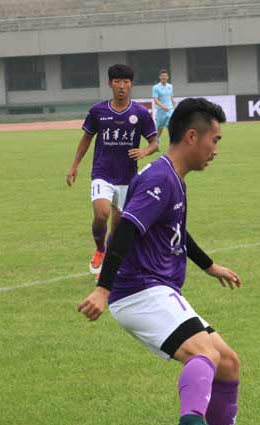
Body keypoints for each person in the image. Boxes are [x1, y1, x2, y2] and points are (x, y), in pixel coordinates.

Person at [77, 98, 246, 425]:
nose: (215, 150)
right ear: (191, 137)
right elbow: (122, 233)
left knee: (229, 362)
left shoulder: (173, 177)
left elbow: (177, 231)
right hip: (139, 291)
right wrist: (102, 289)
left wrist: (209, 265)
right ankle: (190, 423)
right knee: (205, 354)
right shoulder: (159, 178)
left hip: (157, 290)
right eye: (214, 140)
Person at [67, 64, 159, 276]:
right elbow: (86, 139)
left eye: (126, 82)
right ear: (110, 84)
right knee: (102, 214)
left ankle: (108, 259)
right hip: (102, 173)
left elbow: (155, 142)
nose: (122, 86)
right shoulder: (98, 111)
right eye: (117, 81)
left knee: (117, 227)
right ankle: (100, 249)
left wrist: (145, 151)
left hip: (128, 178)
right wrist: (74, 166)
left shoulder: (140, 113)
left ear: (131, 85)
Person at [152, 69, 174, 142]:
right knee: (160, 129)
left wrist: (172, 106)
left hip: (170, 110)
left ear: (167, 77)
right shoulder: (156, 87)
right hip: (161, 111)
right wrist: (163, 106)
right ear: (160, 77)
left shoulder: (170, 86)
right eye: (162, 76)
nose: (164, 77)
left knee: (171, 126)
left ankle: (172, 144)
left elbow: (171, 97)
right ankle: (156, 142)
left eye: (165, 76)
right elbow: (155, 99)